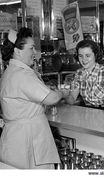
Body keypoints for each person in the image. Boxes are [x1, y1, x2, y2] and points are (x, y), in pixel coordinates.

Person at [0, 27, 66, 169]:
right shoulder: (22, 74)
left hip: (15, 138)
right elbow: (52, 98)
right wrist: (62, 93)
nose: (35, 52)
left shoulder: (10, 71)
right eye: (31, 48)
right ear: (17, 51)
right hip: (29, 139)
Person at [64, 40, 104, 110]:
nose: (84, 59)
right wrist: (63, 94)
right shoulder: (79, 73)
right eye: (80, 56)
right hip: (86, 111)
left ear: (95, 55)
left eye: (88, 55)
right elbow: (72, 100)